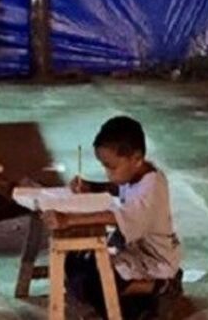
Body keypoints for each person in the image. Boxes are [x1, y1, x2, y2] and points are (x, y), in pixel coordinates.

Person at [42, 116, 183, 319]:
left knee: (97, 287)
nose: (108, 173)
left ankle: (161, 286)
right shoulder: (137, 173)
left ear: (136, 159)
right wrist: (91, 186)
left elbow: (115, 216)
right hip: (133, 254)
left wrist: (68, 219)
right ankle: (136, 296)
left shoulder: (151, 189)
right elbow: (118, 188)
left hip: (155, 264)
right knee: (73, 261)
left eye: (111, 167)